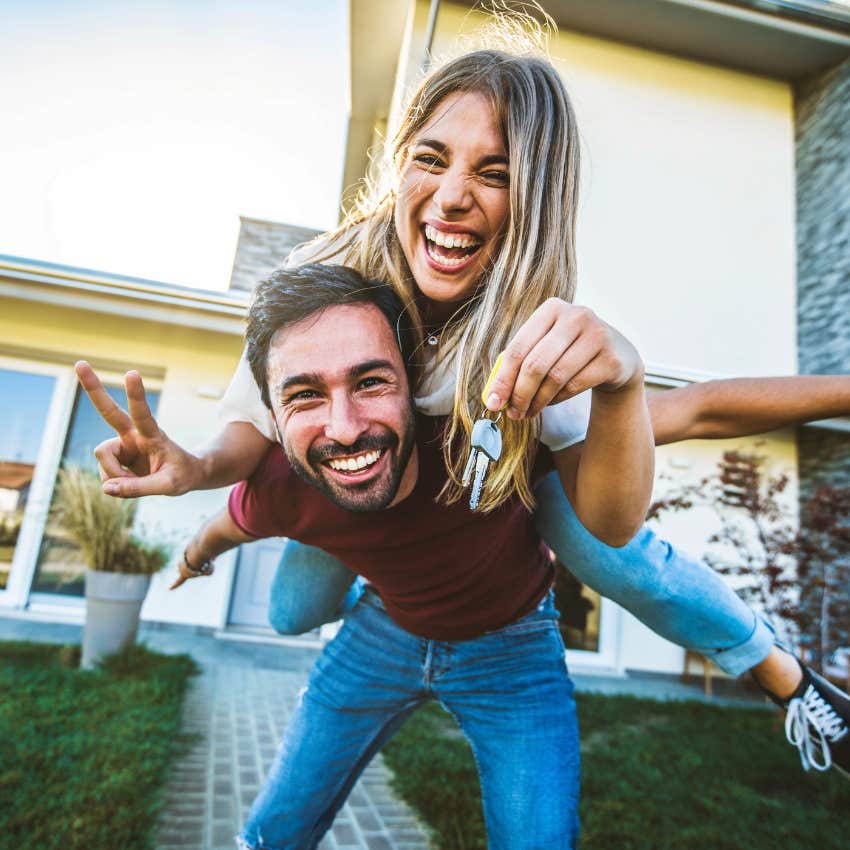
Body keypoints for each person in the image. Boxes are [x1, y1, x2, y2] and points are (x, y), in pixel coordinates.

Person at [76, 32, 850, 777]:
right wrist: (197, 468)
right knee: (289, 612)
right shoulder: (323, 281)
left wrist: (632, 381)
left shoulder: (529, 337)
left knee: (604, 550)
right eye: (432, 159)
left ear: (535, 197)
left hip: (496, 493)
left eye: (496, 172)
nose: (452, 199)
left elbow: (691, 419)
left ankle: (784, 675)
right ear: (399, 164)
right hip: (344, 494)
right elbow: (253, 430)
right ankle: (366, 575)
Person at [177, 262, 654, 849]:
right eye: (304, 394)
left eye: (371, 382)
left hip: (513, 647)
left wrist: (625, 376)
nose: (346, 429)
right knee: (273, 829)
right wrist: (191, 556)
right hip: (382, 633)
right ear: (271, 419)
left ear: (416, 381)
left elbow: (699, 411)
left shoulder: (494, 426)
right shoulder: (284, 482)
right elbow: (225, 527)